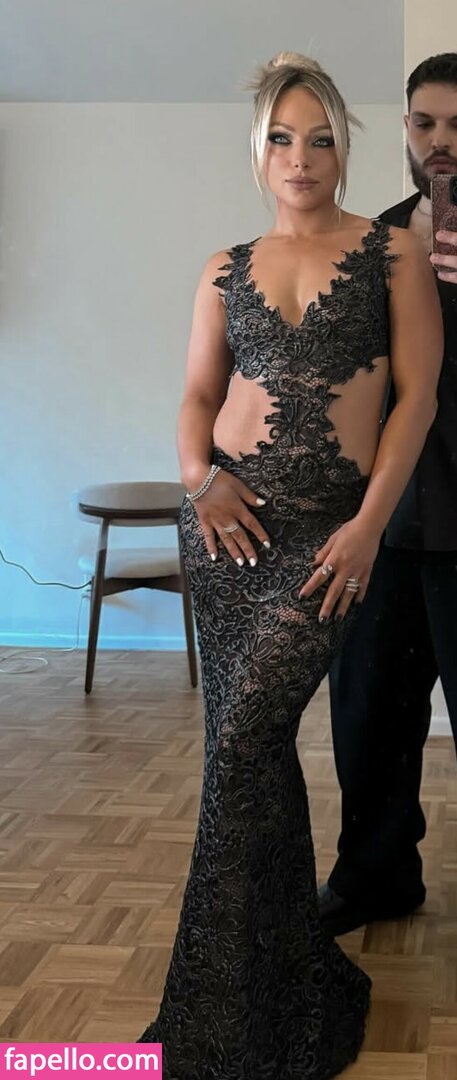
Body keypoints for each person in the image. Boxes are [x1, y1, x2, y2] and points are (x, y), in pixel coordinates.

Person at [138, 52, 442, 1078]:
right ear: (257, 151)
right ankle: (276, 975)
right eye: (280, 137)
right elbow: (196, 394)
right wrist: (196, 479)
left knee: (242, 747)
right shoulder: (224, 266)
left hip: (326, 536)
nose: (299, 157)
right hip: (227, 531)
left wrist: (368, 527)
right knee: (249, 752)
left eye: (318, 138)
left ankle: (228, 1004)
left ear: (343, 147)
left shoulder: (394, 252)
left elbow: (415, 399)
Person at [319, 52, 457, 940]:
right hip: (384, 525)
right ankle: (374, 878)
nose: (441, 142)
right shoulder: (372, 244)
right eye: (425, 123)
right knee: (368, 715)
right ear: (404, 129)